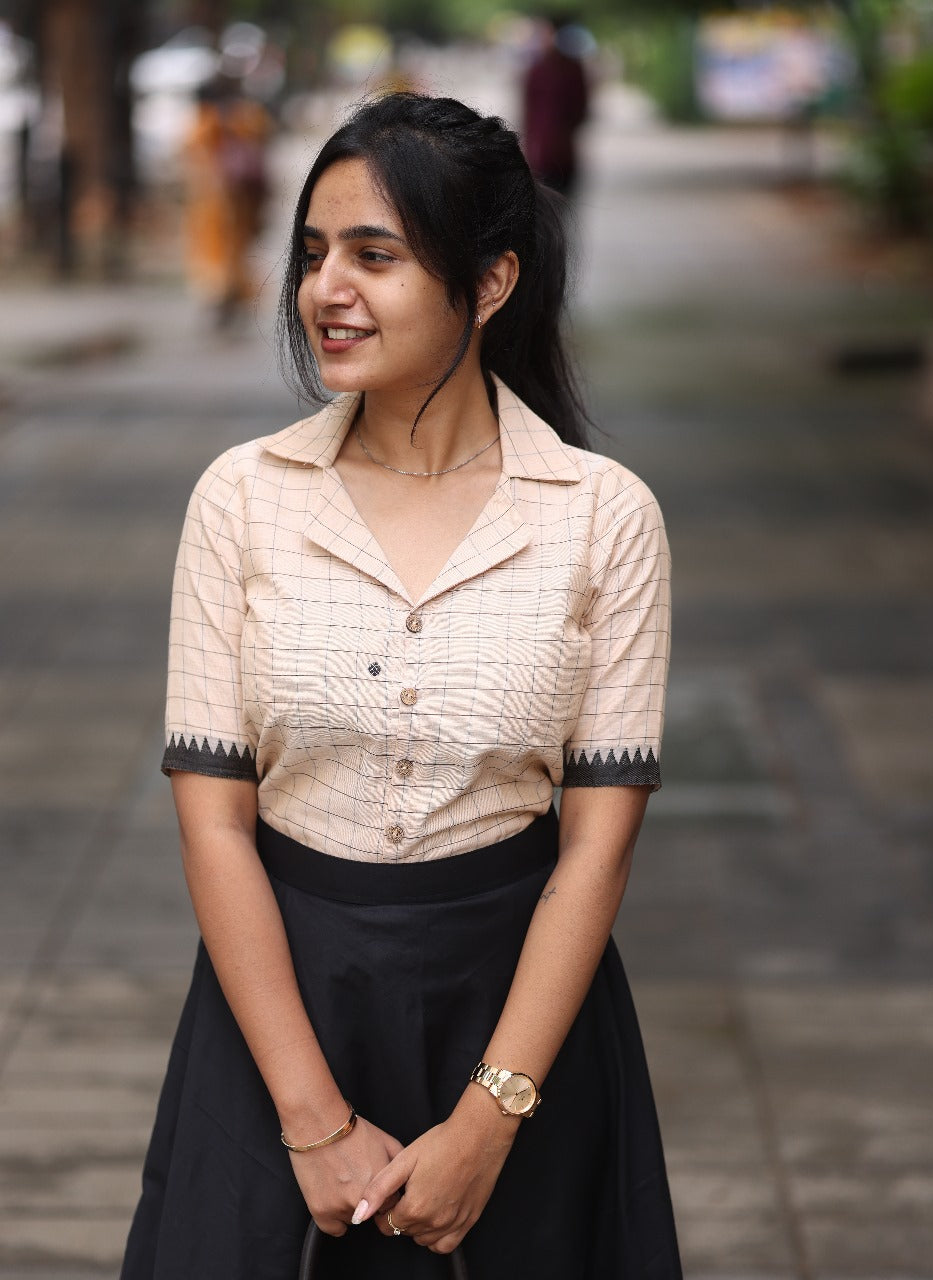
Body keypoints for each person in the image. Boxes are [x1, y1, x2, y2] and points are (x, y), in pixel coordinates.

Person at [121, 92, 680, 1280]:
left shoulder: (602, 518)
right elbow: (213, 821)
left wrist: (490, 1118)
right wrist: (312, 1120)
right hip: (276, 1001)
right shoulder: (243, 498)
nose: (328, 288)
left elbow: (597, 849)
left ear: (489, 284)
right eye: (314, 253)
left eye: (375, 255)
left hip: (520, 1005)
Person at [182, 73, 271, 329]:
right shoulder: (246, 117)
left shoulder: (208, 121)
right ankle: (229, 298)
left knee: (219, 251)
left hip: (219, 201)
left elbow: (190, 152)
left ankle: (224, 297)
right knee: (233, 251)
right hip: (237, 201)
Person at [522, 16, 590, 197]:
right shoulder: (540, 70)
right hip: (547, 153)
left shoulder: (566, 69)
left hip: (557, 153)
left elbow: (580, 110)